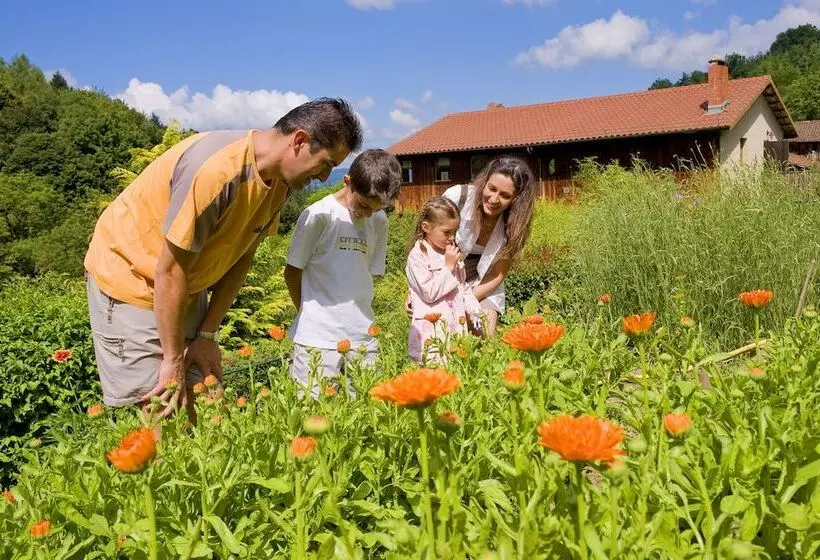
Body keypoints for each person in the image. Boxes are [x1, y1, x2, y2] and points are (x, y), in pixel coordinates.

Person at [84, 98, 362, 416]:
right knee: (163, 405)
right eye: (326, 163)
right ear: (299, 140)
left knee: (204, 401)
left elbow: (243, 255)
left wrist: (207, 334)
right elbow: (170, 270)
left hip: (182, 284)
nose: (325, 176)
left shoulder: (281, 182)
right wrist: (172, 359)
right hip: (131, 276)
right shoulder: (216, 172)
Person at [284, 149, 402, 397]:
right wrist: (308, 312)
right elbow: (292, 271)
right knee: (312, 410)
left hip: (363, 334)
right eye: (363, 205)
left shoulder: (379, 220)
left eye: (376, 208)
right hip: (316, 337)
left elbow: (364, 273)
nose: (367, 214)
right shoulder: (318, 215)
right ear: (347, 181)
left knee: (367, 410)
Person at [406, 156, 536, 336]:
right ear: (484, 182)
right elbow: (424, 247)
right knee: (440, 342)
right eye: (491, 188)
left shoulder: (514, 226)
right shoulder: (458, 198)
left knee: (485, 339)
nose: (494, 199)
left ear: (516, 199)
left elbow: (497, 276)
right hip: (442, 281)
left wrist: (465, 300)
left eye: (505, 195)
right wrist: (414, 291)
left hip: (483, 286)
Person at [405, 196, 482, 364]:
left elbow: (463, 287)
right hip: (430, 332)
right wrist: (448, 267)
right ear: (427, 227)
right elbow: (429, 293)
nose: (452, 237)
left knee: (455, 374)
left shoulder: (451, 252)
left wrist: (475, 314)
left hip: (454, 326)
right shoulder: (418, 257)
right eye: (446, 232)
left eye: (455, 231)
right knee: (431, 376)